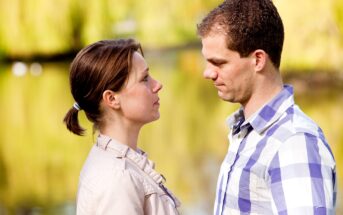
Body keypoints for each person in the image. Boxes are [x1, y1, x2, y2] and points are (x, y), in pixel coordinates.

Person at [197, 0, 336, 214]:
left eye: (219, 63)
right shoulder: (247, 133)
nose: (208, 73)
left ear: (258, 60)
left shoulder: (294, 142)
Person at [63, 39, 181, 215]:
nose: (157, 85)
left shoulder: (119, 164)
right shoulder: (118, 179)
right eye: (144, 79)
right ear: (112, 99)